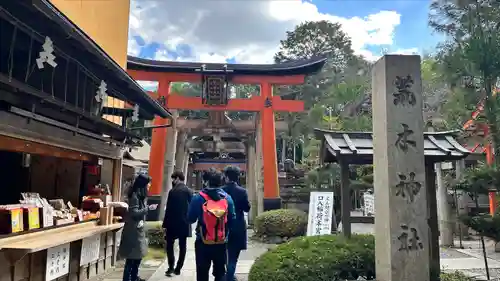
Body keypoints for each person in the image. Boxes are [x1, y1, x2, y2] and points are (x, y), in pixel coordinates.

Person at [187, 169, 236, 281]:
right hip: (221, 242)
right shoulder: (227, 198)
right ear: (221, 181)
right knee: (220, 274)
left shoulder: (198, 198)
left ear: (206, 181)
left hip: (203, 241)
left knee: (202, 273)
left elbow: (190, 219)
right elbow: (232, 220)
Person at [118, 174, 157, 281]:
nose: (149, 186)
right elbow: (134, 212)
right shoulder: (135, 196)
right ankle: (127, 278)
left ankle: (134, 277)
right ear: (143, 184)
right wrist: (147, 209)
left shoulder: (139, 195)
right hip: (133, 231)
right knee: (131, 258)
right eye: (148, 184)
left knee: (137, 257)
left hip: (137, 230)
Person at [163, 171, 193, 277]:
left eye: (173, 179)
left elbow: (168, 209)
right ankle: (178, 268)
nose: (172, 181)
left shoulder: (172, 191)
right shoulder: (189, 191)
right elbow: (192, 207)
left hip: (172, 222)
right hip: (184, 223)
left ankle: (171, 266)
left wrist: (165, 225)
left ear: (177, 178)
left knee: (170, 246)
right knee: (182, 246)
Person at [223, 166, 251, 281]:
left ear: (226, 177)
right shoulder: (242, 191)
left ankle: (227, 274)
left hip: (223, 225)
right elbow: (247, 208)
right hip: (238, 225)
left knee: (224, 252)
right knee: (234, 255)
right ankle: (230, 275)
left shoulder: (221, 191)